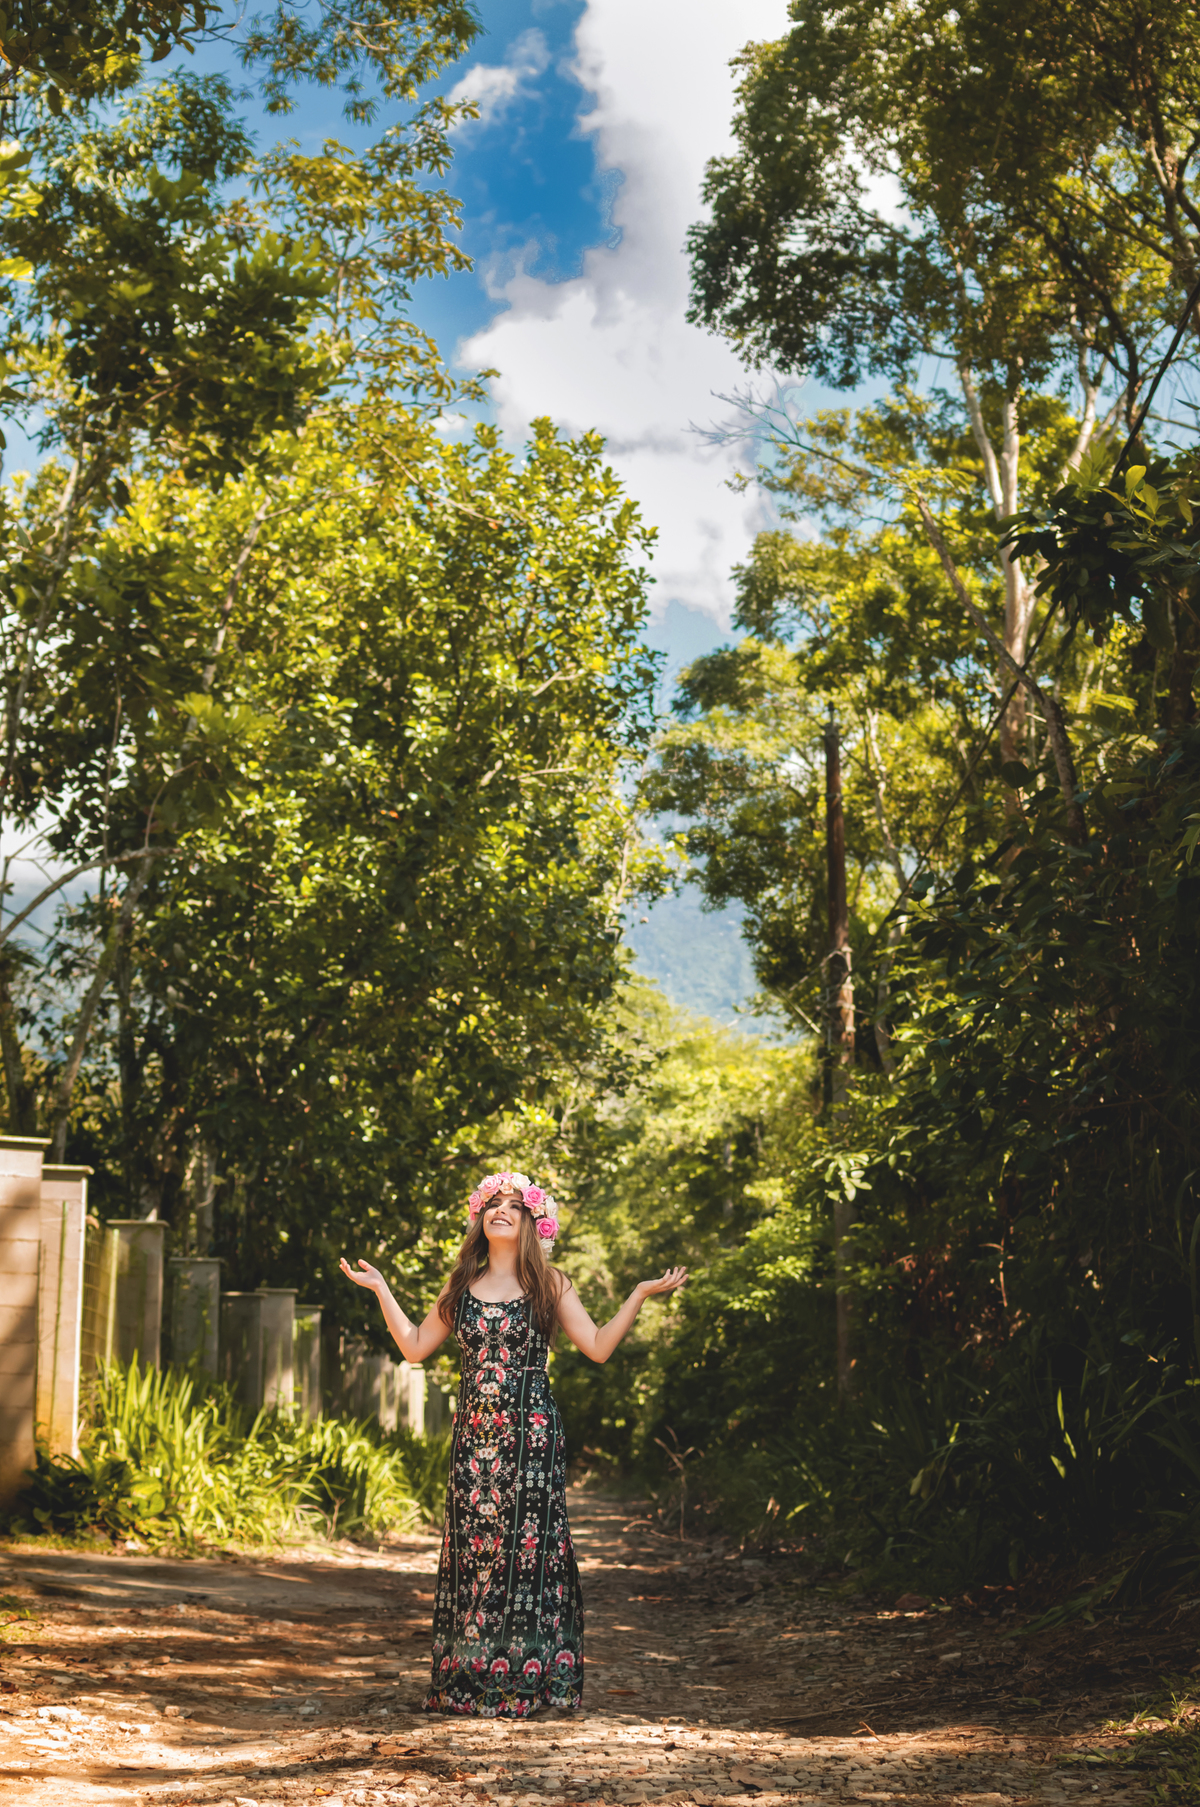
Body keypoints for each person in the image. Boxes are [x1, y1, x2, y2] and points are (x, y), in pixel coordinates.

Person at [339, 1169, 687, 1718]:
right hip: (473, 1440)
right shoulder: (460, 1284)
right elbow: (414, 1347)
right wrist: (383, 1289)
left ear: (531, 1223)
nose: (501, 1210)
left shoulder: (551, 1284)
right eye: (493, 1203)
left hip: (533, 1437)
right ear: (480, 1218)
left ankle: (530, 1682)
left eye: (514, 1205)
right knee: (474, 1552)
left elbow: (597, 1347)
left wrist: (639, 1294)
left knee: (530, 1555)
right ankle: (467, 1682)